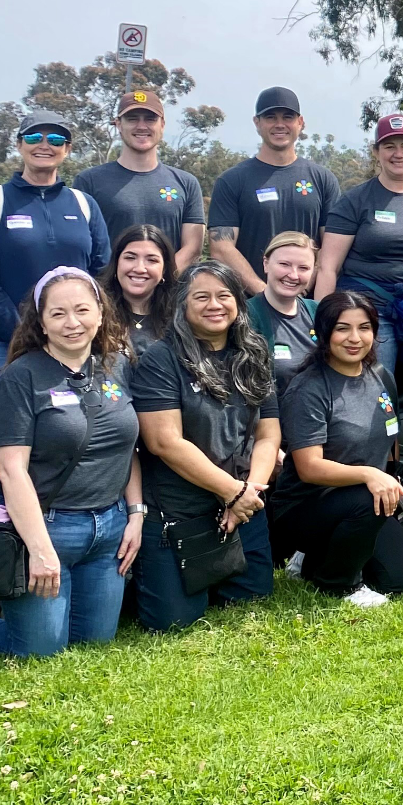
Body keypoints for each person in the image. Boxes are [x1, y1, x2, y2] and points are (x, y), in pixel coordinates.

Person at [0, 268, 145, 659]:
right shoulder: (21, 378)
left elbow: (128, 448)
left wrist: (136, 513)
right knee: (41, 651)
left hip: (109, 528)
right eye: (58, 314)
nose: (72, 323)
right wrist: (39, 549)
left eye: (81, 310)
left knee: (94, 645)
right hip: (47, 526)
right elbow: (10, 470)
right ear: (40, 323)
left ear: (101, 313)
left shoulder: (117, 365)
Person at [129, 262, 282, 629]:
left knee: (252, 602)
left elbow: (269, 434)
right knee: (173, 622)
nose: (215, 304)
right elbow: (164, 442)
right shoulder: (161, 359)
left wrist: (247, 494)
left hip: (243, 502)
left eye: (224, 295)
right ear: (182, 305)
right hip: (178, 511)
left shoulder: (253, 352)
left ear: (239, 303)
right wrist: (231, 492)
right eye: (202, 296)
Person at [272, 290, 403, 606]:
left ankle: (311, 561)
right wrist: (371, 475)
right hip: (305, 506)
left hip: (362, 501)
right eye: (343, 328)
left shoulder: (381, 376)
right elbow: (309, 467)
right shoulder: (308, 388)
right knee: (365, 495)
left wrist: (387, 477)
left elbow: (390, 440)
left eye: (364, 327)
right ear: (323, 332)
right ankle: (339, 583)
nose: (354, 338)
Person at [0, 107, 112, 380]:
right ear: (19, 144)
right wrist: (23, 333)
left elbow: (101, 272)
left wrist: (73, 328)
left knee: (74, 422)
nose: (44, 145)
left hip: (74, 344)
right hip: (4, 345)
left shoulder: (83, 204)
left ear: (66, 149)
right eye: (33, 138)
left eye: (55, 140)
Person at [316, 111, 403, 382]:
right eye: (389, 146)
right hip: (370, 315)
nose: (398, 154)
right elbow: (328, 266)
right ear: (376, 151)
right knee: (376, 387)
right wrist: (322, 324)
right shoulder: (354, 200)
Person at [207, 86, 342, 293]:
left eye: (287, 117)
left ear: (300, 123)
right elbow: (221, 248)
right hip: (249, 305)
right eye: (270, 117)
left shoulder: (323, 179)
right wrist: (266, 295)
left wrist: (300, 288)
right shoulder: (232, 180)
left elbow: (332, 249)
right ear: (257, 123)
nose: (280, 124)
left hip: (305, 307)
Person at [73, 88, 207, 267]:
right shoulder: (88, 181)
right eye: (132, 119)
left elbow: (192, 248)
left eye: (150, 119)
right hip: (108, 292)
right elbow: (82, 246)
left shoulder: (186, 183)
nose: (141, 126)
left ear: (162, 125)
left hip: (169, 291)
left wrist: (159, 277)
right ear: (118, 124)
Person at [244, 230, 322, 387]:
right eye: (284, 264)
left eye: (303, 268)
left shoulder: (318, 311)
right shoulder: (246, 315)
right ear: (266, 264)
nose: (293, 275)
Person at [104, 223, 179, 348]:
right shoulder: (97, 310)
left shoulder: (179, 314)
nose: (139, 269)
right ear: (116, 262)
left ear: (164, 268)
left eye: (151, 260)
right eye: (130, 258)